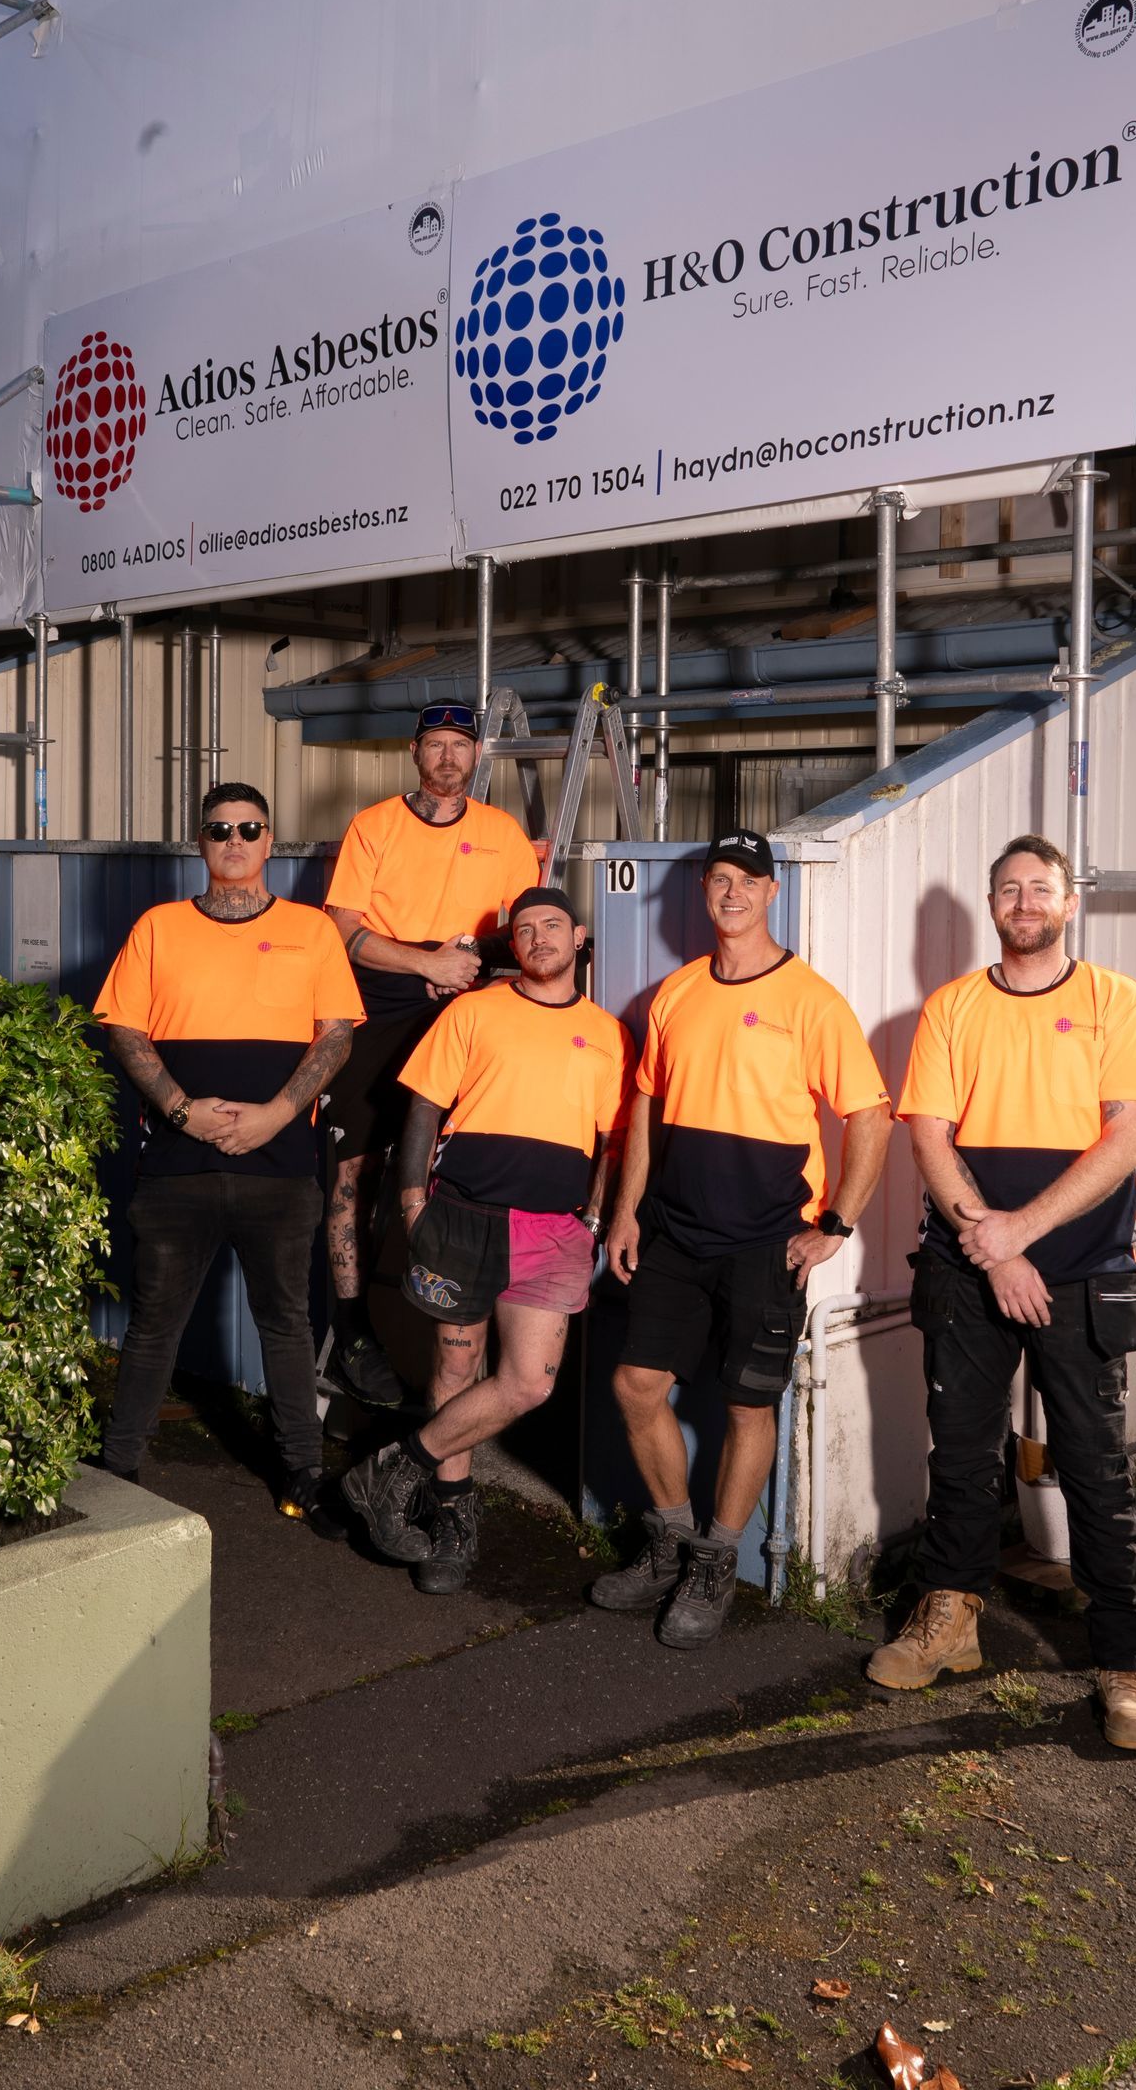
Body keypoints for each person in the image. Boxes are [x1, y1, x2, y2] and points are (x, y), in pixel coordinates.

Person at [868, 833, 1136, 1751]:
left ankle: (1126, 1665)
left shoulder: (1117, 1000)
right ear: (993, 907)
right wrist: (993, 1251)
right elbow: (927, 1133)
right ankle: (950, 1620)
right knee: (959, 1454)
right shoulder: (953, 1008)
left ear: (1069, 904)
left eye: (1041, 888)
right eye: (1009, 888)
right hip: (967, 1270)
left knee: (1094, 1468)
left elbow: (1124, 1142)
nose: (1025, 901)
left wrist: (1022, 1234)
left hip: (1082, 1275)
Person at [592, 832, 893, 1648]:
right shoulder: (675, 994)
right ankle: (669, 1543)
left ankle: (717, 1562)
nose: (731, 893)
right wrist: (626, 1212)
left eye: (747, 880)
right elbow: (645, 1109)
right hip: (674, 1234)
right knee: (636, 1385)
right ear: (704, 891)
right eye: (718, 879)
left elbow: (869, 1114)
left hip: (767, 1241)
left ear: (771, 894)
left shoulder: (812, 1001)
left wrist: (837, 1223)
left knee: (747, 1403)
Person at [340, 886, 633, 1593]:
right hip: (461, 1217)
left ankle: (390, 1467)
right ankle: (451, 1524)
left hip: (552, 1230)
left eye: (551, 926)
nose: (538, 939)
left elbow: (613, 1143)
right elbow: (424, 1107)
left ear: (579, 936)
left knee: (529, 1382)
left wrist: (593, 1220)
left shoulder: (607, 1033)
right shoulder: (474, 1011)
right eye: (523, 930)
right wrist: (412, 1207)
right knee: (455, 1370)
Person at [92, 781, 363, 1532]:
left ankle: (303, 1477)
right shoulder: (159, 927)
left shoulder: (311, 932)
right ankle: (117, 1476)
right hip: (178, 1169)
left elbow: (337, 1034)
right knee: (154, 1328)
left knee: (286, 1327)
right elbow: (124, 1030)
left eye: (250, 829)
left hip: (279, 1170)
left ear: (270, 841)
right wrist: (184, 1111)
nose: (235, 842)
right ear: (201, 844)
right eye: (219, 830)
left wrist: (277, 1114)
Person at [320, 700, 541, 1407]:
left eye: (460, 746)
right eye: (435, 745)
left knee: (451, 1170)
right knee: (355, 1169)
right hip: (382, 997)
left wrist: (473, 959)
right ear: (415, 753)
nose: (448, 757)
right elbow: (343, 928)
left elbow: (521, 928)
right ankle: (353, 1332)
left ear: (477, 757)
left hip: (463, 997)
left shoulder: (502, 832)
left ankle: (446, 1336)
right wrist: (424, 964)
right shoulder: (374, 825)